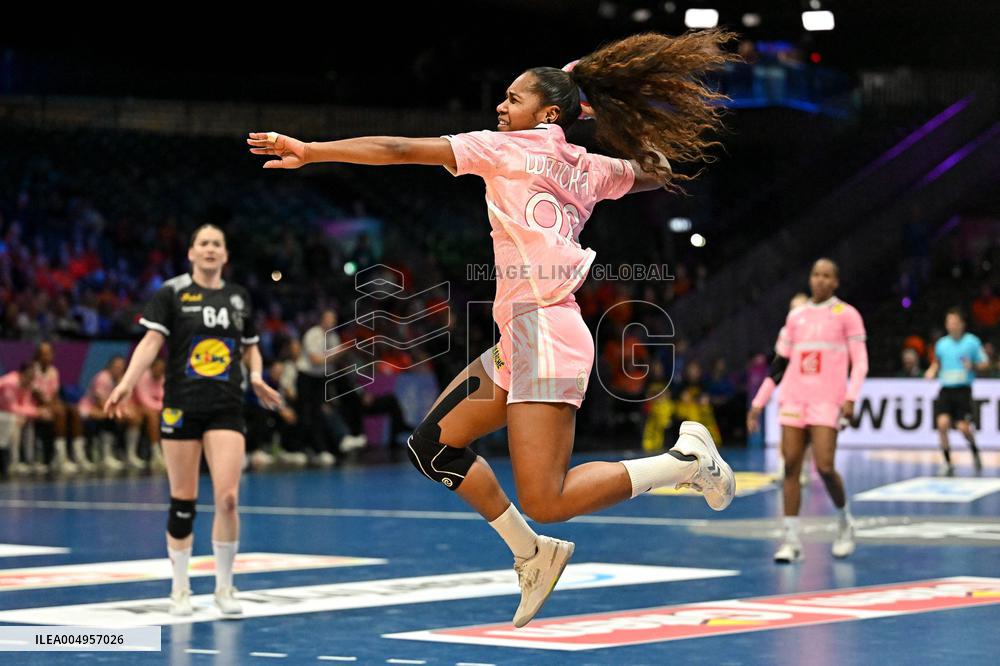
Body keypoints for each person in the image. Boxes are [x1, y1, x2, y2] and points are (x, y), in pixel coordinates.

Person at [251, 30, 737, 626]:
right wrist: (608, 112)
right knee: (432, 445)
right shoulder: (590, 167)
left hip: (545, 334)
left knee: (547, 498)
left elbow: (399, 149)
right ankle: (532, 553)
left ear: (546, 113)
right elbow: (657, 171)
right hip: (528, 335)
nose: (500, 106)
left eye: (513, 98)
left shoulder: (503, 149)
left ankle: (685, 463)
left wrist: (312, 150)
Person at [107, 224, 282, 616]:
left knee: (228, 499)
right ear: (191, 252)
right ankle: (180, 589)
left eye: (217, 244)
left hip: (226, 405)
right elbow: (151, 342)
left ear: (225, 254)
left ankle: (224, 588)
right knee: (182, 501)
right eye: (203, 243)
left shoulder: (238, 298)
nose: (210, 249)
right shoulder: (172, 293)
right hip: (182, 404)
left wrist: (256, 376)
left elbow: (251, 348)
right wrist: (126, 383)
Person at [747, 260, 868, 563]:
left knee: (825, 466)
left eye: (827, 275)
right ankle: (791, 541)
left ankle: (844, 521)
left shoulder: (847, 314)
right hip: (793, 400)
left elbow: (860, 362)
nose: (820, 280)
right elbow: (779, 366)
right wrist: (759, 403)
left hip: (827, 401)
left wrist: (851, 397)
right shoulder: (796, 316)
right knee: (790, 466)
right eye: (816, 274)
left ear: (835, 282)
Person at [924, 308, 988, 476]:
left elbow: (985, 363)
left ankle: (974, 450)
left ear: (962, 324)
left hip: (962, 391)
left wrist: (973, 366)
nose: (951, 325)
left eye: (954, 322)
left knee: (963, 428)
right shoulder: (941, 344)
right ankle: (947, 462)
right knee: (942, 424)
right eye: (949, 322)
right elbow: (937, 362)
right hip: (946, 390)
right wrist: (932, 370)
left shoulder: (972, 342)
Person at [30, 342, 87, 475]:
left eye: (49, 353)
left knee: (74, 410)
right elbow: (35, 394)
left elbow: (55, 394)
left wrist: (55, 404)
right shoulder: (32, 369)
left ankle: (78, 455)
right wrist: (53, 406)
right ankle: (60, 458)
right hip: (34, 406)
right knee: (60, 413)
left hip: (50, 405)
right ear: (38, 355)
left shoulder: (53, 371)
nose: (47, 356)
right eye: (44, 354)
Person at [0, 363, 40, 475]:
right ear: (22, 374)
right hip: (4, 413)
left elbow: (25, 405)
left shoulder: (27, 384)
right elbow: (10, 407)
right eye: (30, 375)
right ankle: (13, 462)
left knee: (25, 420)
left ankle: (29, 460)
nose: (32, 379)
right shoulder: (10, 383)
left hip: (6, 414)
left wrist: (34, 412)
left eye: (33, 376)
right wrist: (37, 412)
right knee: (14, 420)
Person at [133, 357, 168, 472]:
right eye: (157, 368)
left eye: (162, 369)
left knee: (174, 416)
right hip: (136, 407)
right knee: (152, 416)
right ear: (151, 367)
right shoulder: (143, 377)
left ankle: (172, 453)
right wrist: (162, 408)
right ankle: (156, 454)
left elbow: (165, 397)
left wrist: (164, 409)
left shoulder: (164, 378)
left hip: (156, 409)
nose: (159, 371)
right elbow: (144, 400)